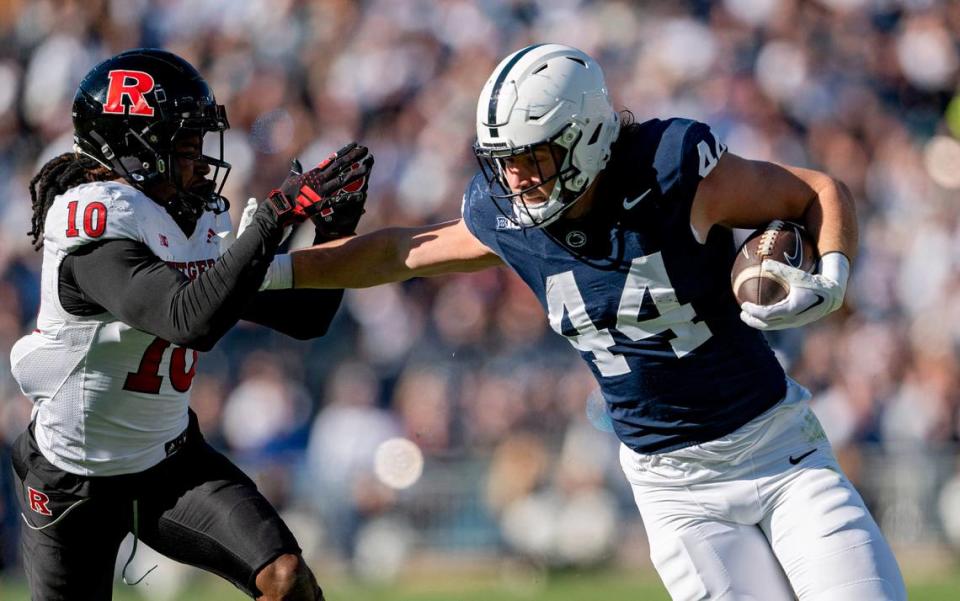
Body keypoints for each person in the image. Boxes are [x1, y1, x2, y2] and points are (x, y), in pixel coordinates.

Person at [290, 44, 907, 600]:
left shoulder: (674, 174)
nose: (515, 178)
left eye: (533, 157)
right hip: (674, 489)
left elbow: (818, 191)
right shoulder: (507, 220)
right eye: (505, 160)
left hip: (779, 450)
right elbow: (399, 251)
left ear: (585, 137)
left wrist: (831, 278)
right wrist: (269, 270)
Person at [9, 48, 372, 601]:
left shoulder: (192, 217)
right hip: (71, 479)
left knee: (286, 579)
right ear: (133, 147)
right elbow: (187, 319)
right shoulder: (95, 224)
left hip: (168, 463)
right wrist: (274, 217)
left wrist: (334, 226)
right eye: (184, 146)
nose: (201, 163)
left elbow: (305, 319)